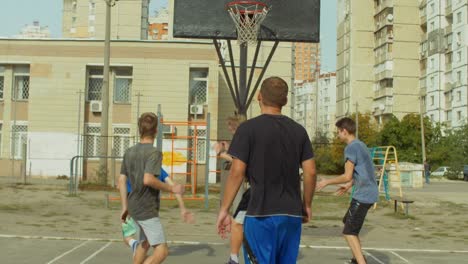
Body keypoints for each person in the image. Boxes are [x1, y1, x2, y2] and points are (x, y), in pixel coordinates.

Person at [216, 76, 317, 264]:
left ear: (259, 96)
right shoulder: (299, 131)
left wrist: (224, 209)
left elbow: (237, 172)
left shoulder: (247, 129)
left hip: (261, 214)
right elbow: (310, 172)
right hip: (291, 215)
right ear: (285, 101)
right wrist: (307, 205)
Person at [119, 112, 185, 264]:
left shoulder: (129, 152)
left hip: (133, 206)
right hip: (146, 209)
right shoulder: (154, 152)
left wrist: (124, 207)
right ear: (156, 131)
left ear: (139, 130)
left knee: (145, 243)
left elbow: (121, 180)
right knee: (161, 252)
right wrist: (172, 189)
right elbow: (148, 179)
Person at [316, 117, 379, 264]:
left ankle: (361, 262)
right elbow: (364, 171)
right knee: (348, 224)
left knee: (349, 232)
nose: (338, 135)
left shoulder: (351, 147)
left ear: (344, 131)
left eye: (338, 131)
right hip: (368, 192)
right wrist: (350, 184)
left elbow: (346, 175)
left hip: (364, 195)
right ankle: (358, 259)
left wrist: (327, 182)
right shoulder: (361, 145)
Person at [119, 167, 195, 256]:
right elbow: (174, 188)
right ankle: (141, 248)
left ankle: (136, 246)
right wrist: (182, 208)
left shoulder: (134, 168)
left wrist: (125, 207)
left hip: (135, 209)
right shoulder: (158, 170)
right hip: (150, 211)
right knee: (145, 242)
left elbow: (123, 185)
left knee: (130, 238)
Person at [214, 115, 248, 264]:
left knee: (238, 222)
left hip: (253, 190)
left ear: (235, 127)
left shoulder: (242, 138)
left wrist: (221, 154)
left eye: (230, 126)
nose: (229, 129)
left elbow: (237, 164)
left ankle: (234, 258)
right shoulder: (247, 137)